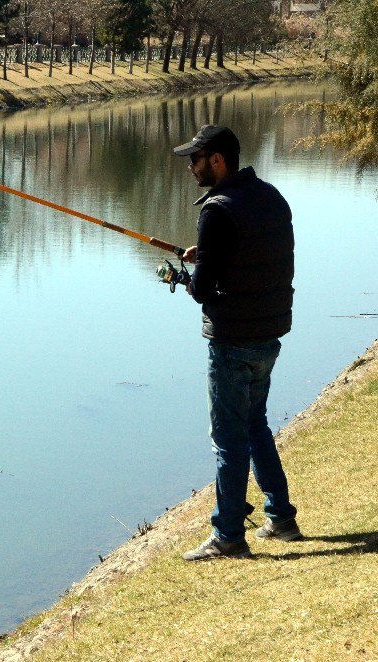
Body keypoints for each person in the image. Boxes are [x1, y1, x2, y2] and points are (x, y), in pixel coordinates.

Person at [172, 125, 304, 561]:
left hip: (232, 342)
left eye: (195, 159)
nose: (190, 167)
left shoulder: (216, 211)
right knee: (254, 424)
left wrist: (191, 274)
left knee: (229, 437)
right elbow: (256, 253)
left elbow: (202, 292)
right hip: (269, 337)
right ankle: (281, 518)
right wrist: (208, 253)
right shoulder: (269, 196)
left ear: (217, 160)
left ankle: (228, 535)